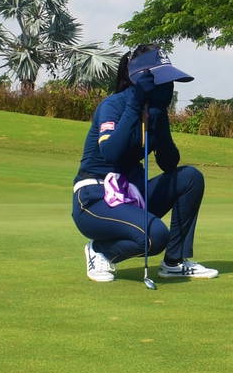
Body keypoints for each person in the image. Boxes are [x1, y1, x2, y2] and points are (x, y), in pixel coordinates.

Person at [71, 44, 218, 283]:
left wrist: (160, 124)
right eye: (163, 81)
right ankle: (100, 251)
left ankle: (174, 262)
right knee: (156, 236)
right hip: (95, 199)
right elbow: (111, 153)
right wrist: (135, 104)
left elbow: (169, 164)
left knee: (190, 177)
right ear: (141, 81)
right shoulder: (114, 105)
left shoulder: (156, 112)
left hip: (131, 196)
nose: (169, 87)